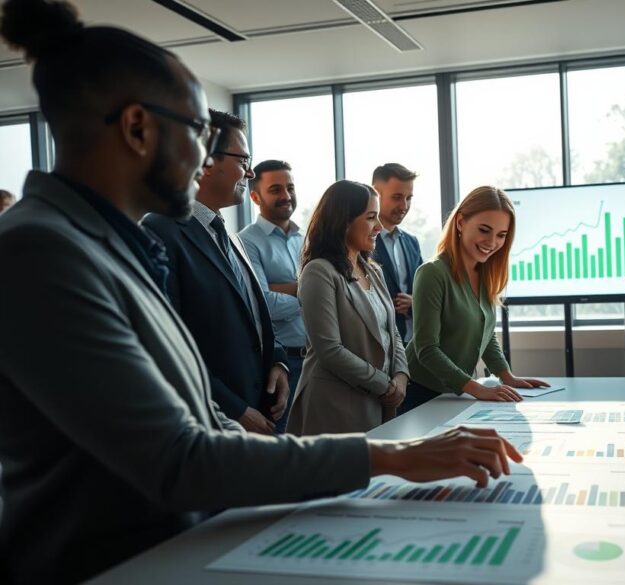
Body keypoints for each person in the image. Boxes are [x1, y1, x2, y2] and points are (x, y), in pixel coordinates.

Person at [0, 3, 519, 583]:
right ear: (138, 128)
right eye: (198, 132)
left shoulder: (108, 245)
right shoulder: (38, 252)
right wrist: (388, 456)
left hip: (180, 549)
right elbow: (180, 458)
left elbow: (198, 421)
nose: (205, 159)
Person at [144, 110, 291, 435]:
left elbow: (250, 315)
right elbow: (166, 348)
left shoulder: (226, 233)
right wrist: (234, 410)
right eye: (244, 160)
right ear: (205, 160)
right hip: (214, 425)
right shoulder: (159, 232)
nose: (251, 172)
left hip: (259, 413)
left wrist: (277, 361)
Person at [400, 186, 548, 414]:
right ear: (460, 222)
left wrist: (506, 375)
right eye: (484, 230)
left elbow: (485, 335)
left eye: (501, 235)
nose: (492, 242)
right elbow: (426, 348)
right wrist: (475, 389)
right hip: (420, 394)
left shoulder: (485, 274)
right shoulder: (432, 273)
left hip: (455, 394)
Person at [287, 181, 408, 434]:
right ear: (344, 221)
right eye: (371, 217)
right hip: (334, 407)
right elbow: (329, 349)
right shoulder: (319, 271)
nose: (379, 227)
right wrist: (384, 385)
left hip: (377, 401)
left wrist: (400, 377)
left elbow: (392, 331)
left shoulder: (372, 270)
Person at [239, 159, 305, 432]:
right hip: (281, 365)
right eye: (276, 189)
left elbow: (333, 291)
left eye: (290, 187)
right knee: (286, 451)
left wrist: (285, 288)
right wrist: (308, 291)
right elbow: (263, 304)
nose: (286, 196)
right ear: (255, 196)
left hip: (317, 360)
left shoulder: (306, 238)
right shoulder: (246, 242)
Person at [371, 163, 423, 344]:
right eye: (397, 197)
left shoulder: (411, 242)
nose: (404, 205)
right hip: (379, 345)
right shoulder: (361, 243)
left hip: (413, 343)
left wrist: (415, 302)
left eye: (409, 198)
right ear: (376, 194)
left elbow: (425, 290)